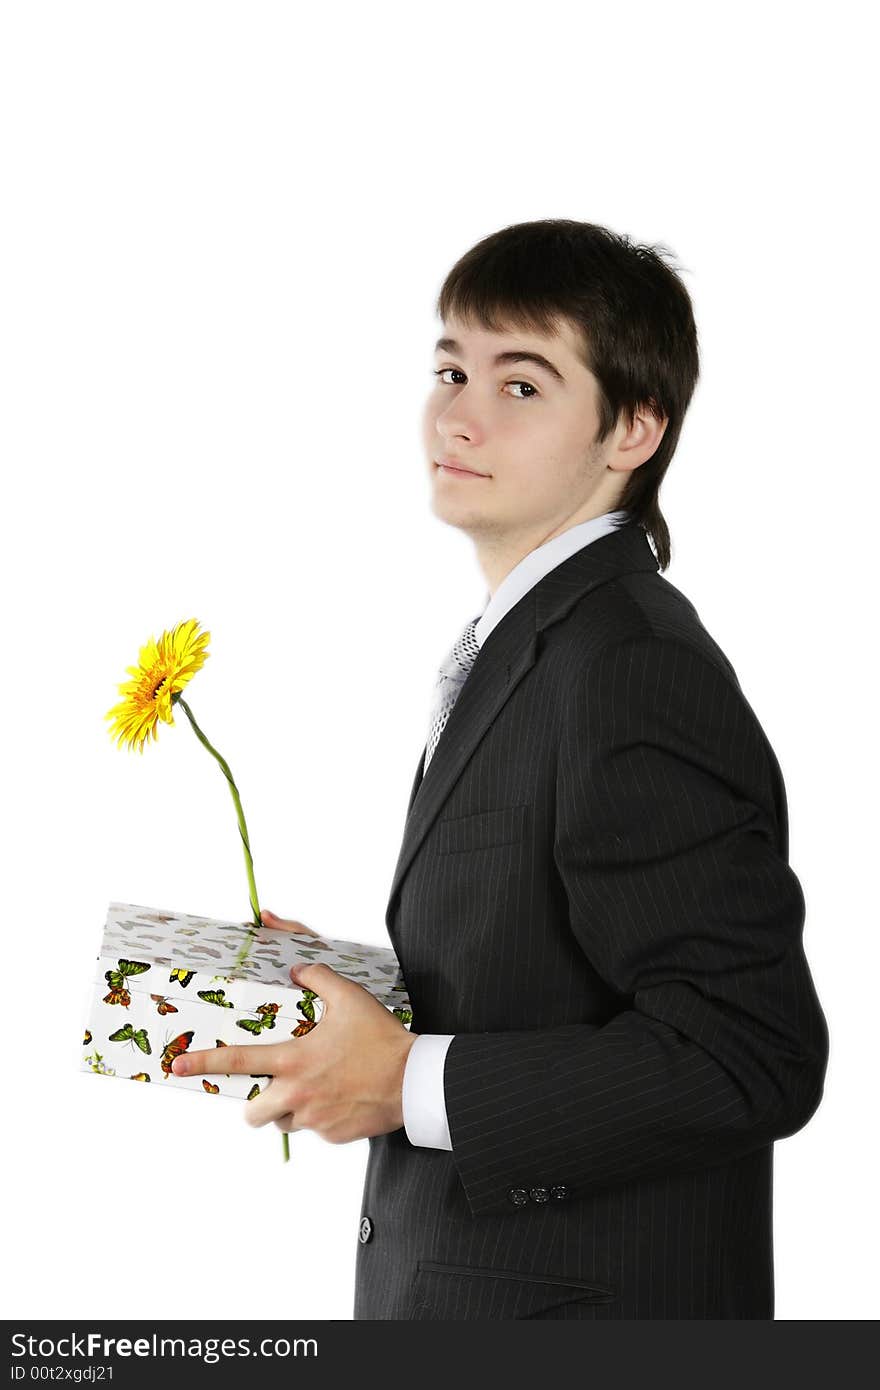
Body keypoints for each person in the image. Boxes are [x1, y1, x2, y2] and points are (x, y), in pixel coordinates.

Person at [174, 219, 829, 1320]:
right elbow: (555, 967)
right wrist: (357, 991)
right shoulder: (539, 642)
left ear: (632, 427)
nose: (457, 412)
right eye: (450, 368)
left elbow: (749, 1054)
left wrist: (407, 1082)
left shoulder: (626, 665)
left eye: (521, 385)